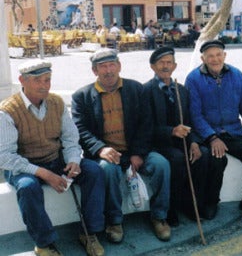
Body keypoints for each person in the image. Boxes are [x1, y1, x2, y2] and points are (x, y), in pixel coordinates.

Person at [0, 59, 106, 256]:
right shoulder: (7, 111)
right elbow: (4, 157)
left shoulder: (56, 102)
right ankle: (44, 244)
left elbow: (70, 137)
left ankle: (89, 233)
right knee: (27, 187)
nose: (44, 85)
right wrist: (45, 174)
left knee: (93, 171)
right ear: (22, 80)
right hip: (24, 165)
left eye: (47, 80)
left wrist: (73, 159)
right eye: (38, 80)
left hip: (54, 158)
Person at [71, 48, 172, 242]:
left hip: (135, 150)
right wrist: (100, 148)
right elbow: (80, 129)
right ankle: (114, 221)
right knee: (106, 171)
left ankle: (160, 217)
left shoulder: (136, 89)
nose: (108, 71)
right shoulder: (81, 96)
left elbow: (146, 123)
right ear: (95, 71)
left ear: (119, 66)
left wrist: (138, 153)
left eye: (112, 65)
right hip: (108, 153)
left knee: (161, 165)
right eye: (102, 67)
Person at [185, 40, 242, 225]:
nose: (215, 59)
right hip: (208, 133)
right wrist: (212, 137)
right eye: (210, 56)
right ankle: (211, 202)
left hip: (234, 132)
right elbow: (195, 115)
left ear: (224, 56)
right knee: (216, 159)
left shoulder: (236, 75)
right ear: (203, 59)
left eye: (218, 55)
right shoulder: (193, 78)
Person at [142, 47, 226, 226]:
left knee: (202, 155)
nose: (165, 66)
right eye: (161, 63)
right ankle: (171, 207)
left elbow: (191, 121)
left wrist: (194, 142)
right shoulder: (145, 91)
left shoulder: (181, 90)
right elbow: (145, 127)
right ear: (152, 66)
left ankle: (193, 204)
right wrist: (170, 131)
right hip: (158, 144)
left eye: (169, 63)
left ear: (175, 66)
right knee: (178, 159)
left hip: (183, 140)